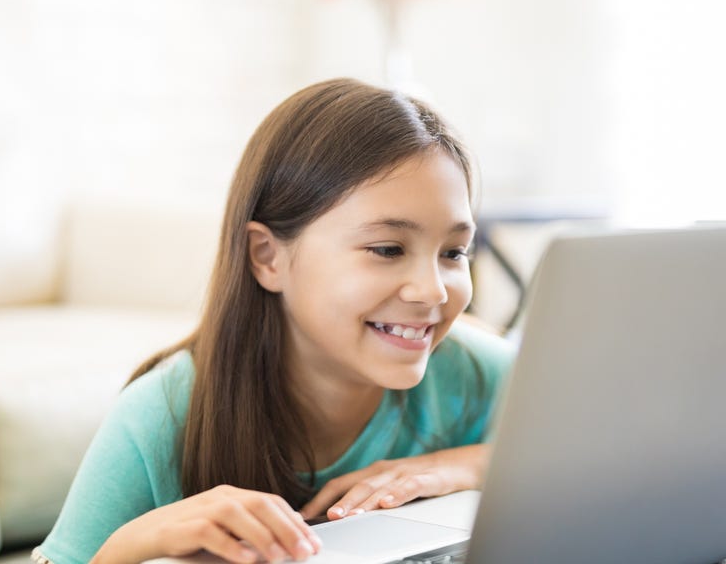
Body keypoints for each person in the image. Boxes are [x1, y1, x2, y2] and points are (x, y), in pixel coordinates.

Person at [32, 78, 514, 564]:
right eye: (387, 249)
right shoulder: (162, 416)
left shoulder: (480, 373)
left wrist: (462, 466)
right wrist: (134, 544)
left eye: (454, 252)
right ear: (268, 257)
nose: (432, 290)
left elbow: (589, 451)